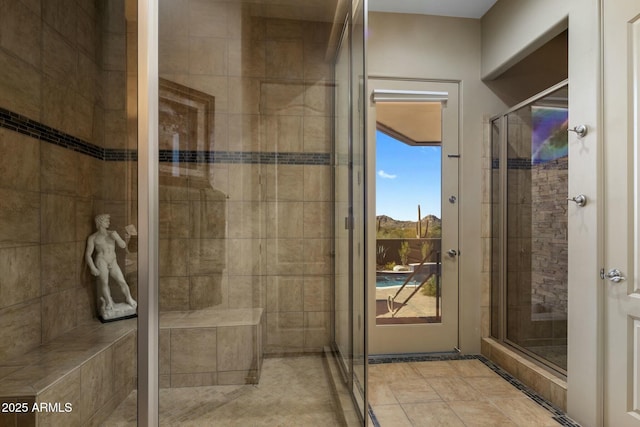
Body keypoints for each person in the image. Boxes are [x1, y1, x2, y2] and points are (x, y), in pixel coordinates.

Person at [85, 214, 137, 312]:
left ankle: (129, 298)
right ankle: (109, 302)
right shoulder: (93, 237)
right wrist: (92, 267)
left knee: (122, 281)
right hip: (101, 261)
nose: (109, 222)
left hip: (113, 261)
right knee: (105, 283)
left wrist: (117, 238)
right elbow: (88, 255)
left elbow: (123, 245)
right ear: (100, 222)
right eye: (106, 221)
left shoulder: (112, 233)